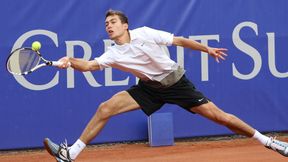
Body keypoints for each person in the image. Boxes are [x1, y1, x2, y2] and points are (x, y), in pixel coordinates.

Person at [44, 9, 288, 162]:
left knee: (220, 117)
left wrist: (207, 49)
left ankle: (268, 142)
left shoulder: (146, 33)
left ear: (125, 25)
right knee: (105, 108)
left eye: (113, 22)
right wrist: (69, 61)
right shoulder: (113, 54)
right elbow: (88, 66)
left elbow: (179, 40)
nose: (109, 26)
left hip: (176, 83)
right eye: (107, 23)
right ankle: (71, 154)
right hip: (148, 88)